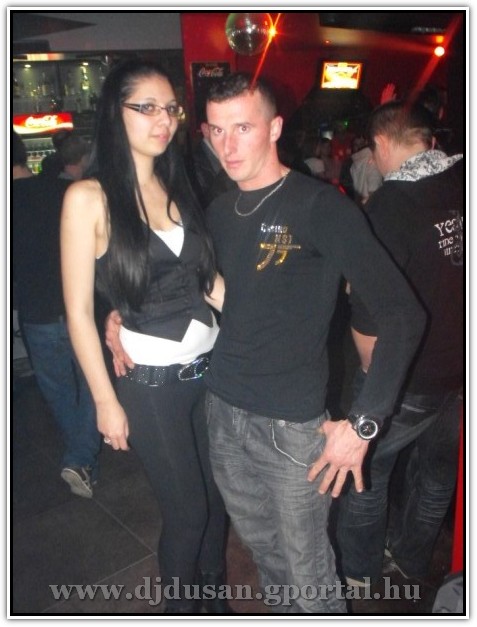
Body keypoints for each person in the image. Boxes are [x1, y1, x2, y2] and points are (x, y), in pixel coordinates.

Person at [107, 72, 425, 613]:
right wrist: (120, 315)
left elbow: (403, 314)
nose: (228, 145)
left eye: (243, 128)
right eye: (216, 130)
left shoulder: (320, 206)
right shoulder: (216, 212)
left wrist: (364, 424)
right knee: (266, 558)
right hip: (223, 414)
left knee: (309, 574)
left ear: (275, 128)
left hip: (291, 428)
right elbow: (186, 284)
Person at [60, 58, 229, 614]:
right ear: (116, 112)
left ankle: (214, 602)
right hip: (152, 386)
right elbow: (78, 313)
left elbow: (209, 283)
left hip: (213, 373)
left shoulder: (179, 182)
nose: (165, 120)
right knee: (187, 512)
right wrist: (105, 402)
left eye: (171, 108)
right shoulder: (88, 197)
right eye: (148, 107)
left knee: (217, 502)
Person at [337, 100, 463, 586]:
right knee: (437, 472)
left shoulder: (389, 206)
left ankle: (360, 572)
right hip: (462, 368)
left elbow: (369, 309)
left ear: (382, 144)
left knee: (366, 471)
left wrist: (374, 382)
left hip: (411, 373)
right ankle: (412, 558)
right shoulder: (464, 181)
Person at [12, 130, 101, 498]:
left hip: (36, 313)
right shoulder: (63, 192)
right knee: (94, 383)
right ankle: (80, 456)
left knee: (59, 393)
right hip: (79, 306)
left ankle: (80, 456)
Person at [190, 120, 235, 207]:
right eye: (219, 130)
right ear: (206, 130)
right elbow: (204, 208)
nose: (232, 139)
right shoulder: (190, 167)